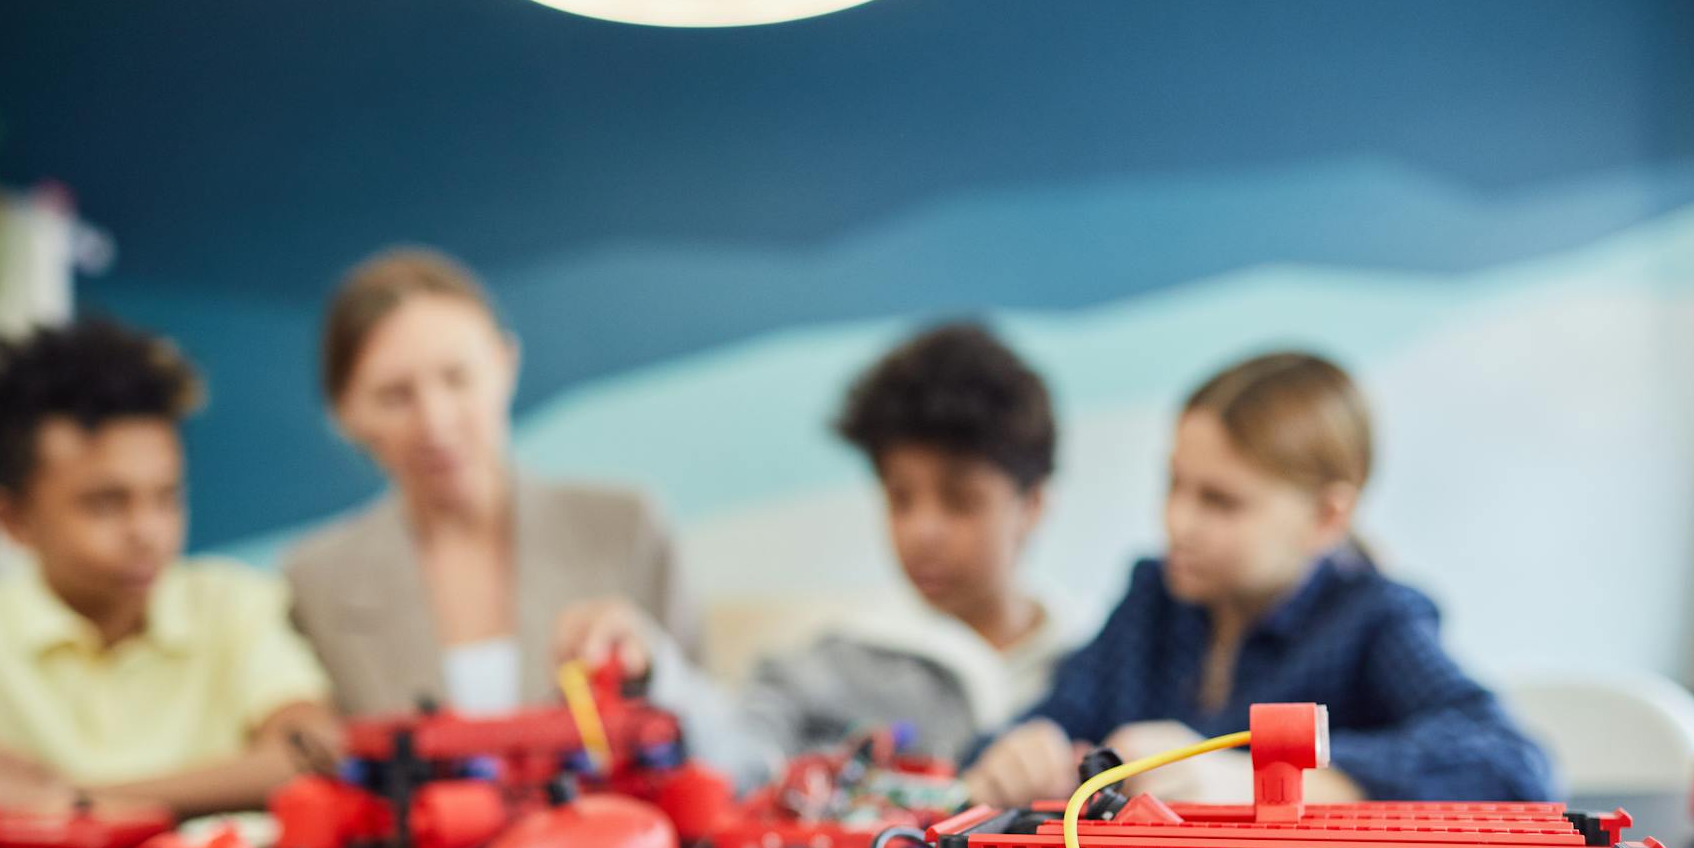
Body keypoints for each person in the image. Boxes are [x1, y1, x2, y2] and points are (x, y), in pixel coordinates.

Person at [963, 351, 1555, 807]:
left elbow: (1512, 764)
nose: (1177, 523)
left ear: (1326, 518)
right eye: (1175, 485)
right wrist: (1023, 751)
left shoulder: (1373, 619)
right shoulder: (1153, 600)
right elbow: (1049, 719)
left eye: (1220, 502)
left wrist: (1257, 780)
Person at [551, 323, 1083, 784]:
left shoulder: (1101, 655)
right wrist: (654, 669)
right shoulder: (832, 667)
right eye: (899, 498)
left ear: (1032, 504)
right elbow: (739, 752)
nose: (923, 531)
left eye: (959, 500)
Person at [0, 320, 334, 820]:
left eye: (167, 497)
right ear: (11, 519)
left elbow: (310, 750)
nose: (147, 531)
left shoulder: (230, 604)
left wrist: (73, 798)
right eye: (105, 504)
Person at [284, 248, 699, 718]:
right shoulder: (316, 581)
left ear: (505, 365)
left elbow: (711, 728)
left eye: (457, 378)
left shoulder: (627, 527)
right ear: (345, 413)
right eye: (395, 396)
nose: (435, 423)